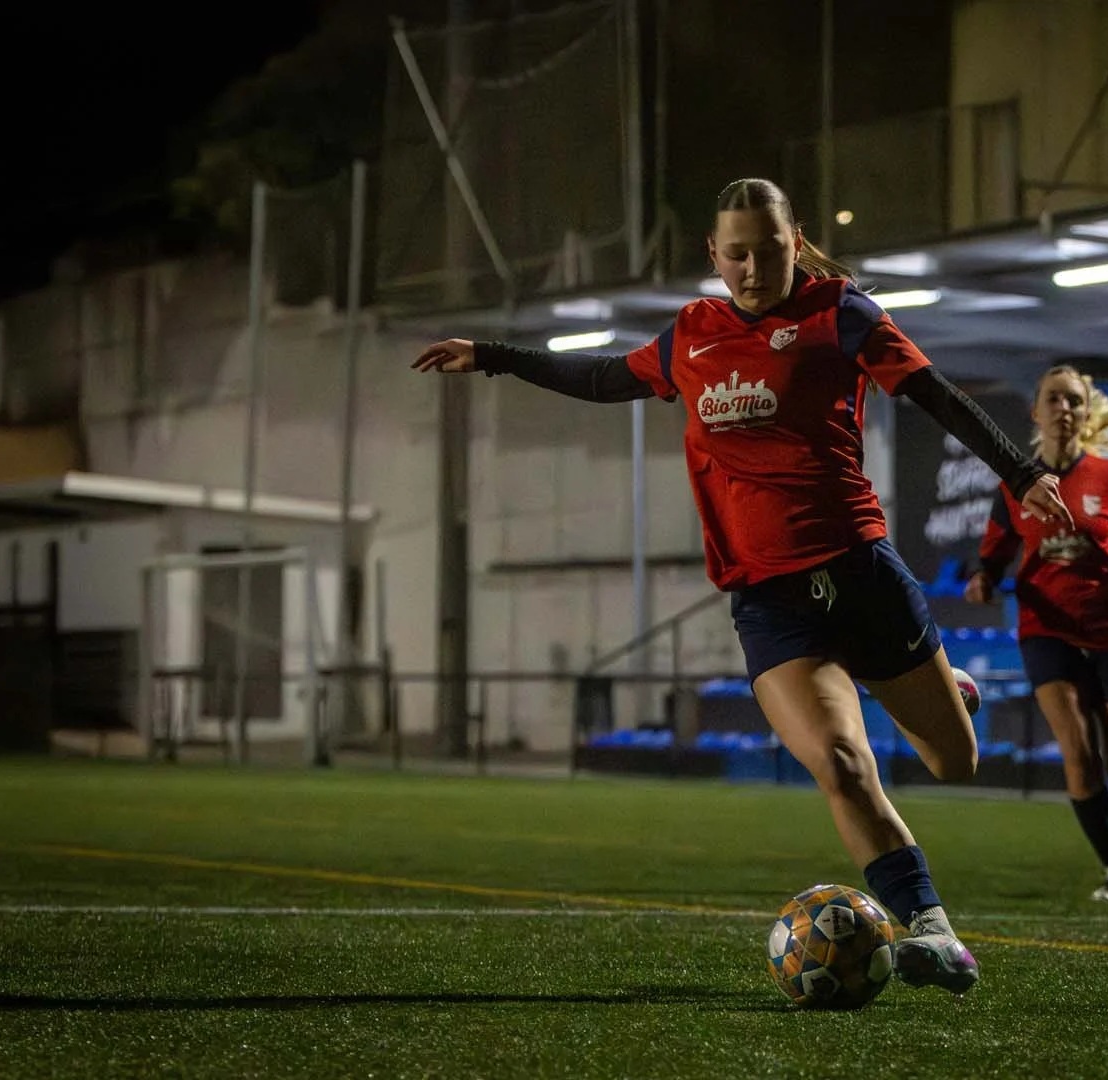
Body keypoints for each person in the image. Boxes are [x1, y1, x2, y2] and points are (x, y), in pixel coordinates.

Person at [413, 177, 1068, 996]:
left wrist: (1020, 471)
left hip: (861, 576)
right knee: (840, 761)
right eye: (737, 253)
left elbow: (933, 394)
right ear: (713, 255)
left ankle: (939, 685)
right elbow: (602, 378)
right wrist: (493, 357)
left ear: (796, 241)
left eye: (768, 249)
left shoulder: (842, 315)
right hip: (770, 601)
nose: (753, 268)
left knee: (956, 763)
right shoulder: (692, 335)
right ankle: (930, 928)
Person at [963, 364, 1108, 904]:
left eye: (1074, 400)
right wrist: (982, 579)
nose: (1064, 409)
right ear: (1036, 412)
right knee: (1077, 751)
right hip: (1045, 630)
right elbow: (993, 555)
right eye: (1054, 399)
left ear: (1085, 412)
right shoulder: (1015, 485)